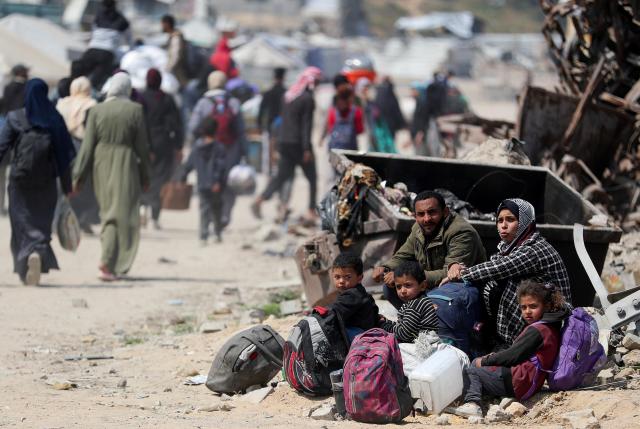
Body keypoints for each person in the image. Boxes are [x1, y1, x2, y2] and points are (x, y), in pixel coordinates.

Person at [445, 198, 571, 346]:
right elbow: (496, 263)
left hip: (551, 319)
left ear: (525, 222)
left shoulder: (534, 249)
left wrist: (461, 274)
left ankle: (509, 342)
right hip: (534, 312)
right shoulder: (510, 247)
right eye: (500, 220)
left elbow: (499, 268)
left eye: (510, 220)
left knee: (495, 283)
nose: (503, 226)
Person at [72, 72, 151, 281]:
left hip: (101, 164)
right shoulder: (135, 110)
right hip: (126, 164)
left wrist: (78, 177)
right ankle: (110, 263)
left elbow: (87, 147)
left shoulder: (97, 110)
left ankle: (108, 262)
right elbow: (142, 148)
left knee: (108, 212)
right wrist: (146, 177)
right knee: (124, 215)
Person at [453, 280, 568, 418]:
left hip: (519, 382)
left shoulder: (537, 330)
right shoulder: (551, 326)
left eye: (533, 306)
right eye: (523, 307)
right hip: (530, 382)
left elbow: (512, 356)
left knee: (472, 369)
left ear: (546, 306)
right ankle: (486, 396)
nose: (527, 312)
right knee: (486, 364)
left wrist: (485, 360)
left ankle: (472, 404)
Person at [0, 78, 76, 285]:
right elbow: (64, 157)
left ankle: (26, 258)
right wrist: (68, 186)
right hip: (47, 181)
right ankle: (37, 251)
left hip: (20, 179)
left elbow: (1, 148)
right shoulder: (54, 119)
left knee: (21, 221)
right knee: (41, 221)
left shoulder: (15, 118)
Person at [372, 190, 486, 309]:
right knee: (392, 286)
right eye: (421, 214)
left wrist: (411, 277)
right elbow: (403, 255)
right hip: (433, 285)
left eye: (432, 212)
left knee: (409, 284)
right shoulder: (418, 228)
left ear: (445, 212)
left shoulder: (461, 232)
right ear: (415, 216)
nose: (426, 219)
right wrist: (386, 268)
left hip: (460, 290)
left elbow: (452, 274)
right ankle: (413, 320)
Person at [251, 67, 322, 222]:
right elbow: (306, 125)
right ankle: (311, 210)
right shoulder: (307, 99)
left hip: (284, 141)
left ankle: (260, 200)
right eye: (316, 81)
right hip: (298, 144)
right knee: (312, 177)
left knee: (281, 177)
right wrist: (306, 149)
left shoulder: (289, 96)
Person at [188, 71, 245, 230]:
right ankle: (224, 215)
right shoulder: (233, 102)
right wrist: (244, 152)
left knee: (208, 184)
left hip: (208, 151)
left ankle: (208, 220)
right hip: (230, 150)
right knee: (228, 184)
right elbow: (241, 130)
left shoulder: (203, 103)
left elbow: (192, 127)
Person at [140, 68, 184, 229]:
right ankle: (154, 217)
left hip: (143, 142)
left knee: (143, 177)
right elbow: (177, 124)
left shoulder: (141, 97)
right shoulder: (167, 99)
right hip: (163, 143)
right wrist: (178, 146)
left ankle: (142, 208)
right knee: (159, 180)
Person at [56, 76, 100, 233]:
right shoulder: (91, 104)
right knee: (84, 184)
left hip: (62, 145)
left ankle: (59, 221)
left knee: (63, 183)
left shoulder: (62, 103)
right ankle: (82, 220)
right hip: (82, 147)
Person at [181, 116, 226, 244]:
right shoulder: (219, 148)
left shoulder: (196, 148)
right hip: (216, 185)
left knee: (204, 209)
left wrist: (183, 176)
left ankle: (203, 235)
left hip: (202, 184)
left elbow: (189, 164)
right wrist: (217, 181)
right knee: (217, 208)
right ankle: (217, 233)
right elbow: (221, 166)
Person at [257, 67, 292, 222]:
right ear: (284, 77)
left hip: (271, 133)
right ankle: (281, 203)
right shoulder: (287, 93)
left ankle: (270, 194)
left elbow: (260, 112)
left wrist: (260, 127)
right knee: (284, 168)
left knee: (271, 166)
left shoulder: (269, 92)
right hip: (285, 133)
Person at [379, 260, 439, 343]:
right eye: (398, 287)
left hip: (423, 346)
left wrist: (383, 325)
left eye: (408, 285)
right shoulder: (412, 302)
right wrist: (386, 321)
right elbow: (402, 327)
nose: (403, 291)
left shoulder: (417, 305)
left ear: (422, 286)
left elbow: (404, 334)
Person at [328, 252, 380, 341]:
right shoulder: (361, 293)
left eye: (347, 277)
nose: (341, 281)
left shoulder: (353, 295)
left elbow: (334, 311)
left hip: (359, 335)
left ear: (359, 278)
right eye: (337, 277)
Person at [81, 0, 131, 90]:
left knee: (81, 77)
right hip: (107, 53)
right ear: (115, 5)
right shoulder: (122, 20)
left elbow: (93, 33)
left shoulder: (98, 16)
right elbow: (130, 40)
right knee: (97, 82)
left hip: (92, 50)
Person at [0, 64, 29, 216]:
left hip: (6, 130)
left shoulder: (8, 87)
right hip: (22, 133)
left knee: (2, 171)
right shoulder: (27, 88)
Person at [355, 77, 395, 153]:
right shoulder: (356, 101)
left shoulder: (372, 103)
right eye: (364, 87)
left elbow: (377, 116)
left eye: (367, 87)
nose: (366, 90)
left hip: (372, 134)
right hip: (360, 134)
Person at [324, 86, 364, 151]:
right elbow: (360, 130)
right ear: (350, 97)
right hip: (351, 151)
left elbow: (330, 129)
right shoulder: (356, 111)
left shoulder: (332, 111)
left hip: (335, 150)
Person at [161, 14, 189, 88]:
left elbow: (175, 57)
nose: (162, 26)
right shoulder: (172, 37)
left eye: (162, 24)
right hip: (176, 76)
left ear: (167, 24)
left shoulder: (176, 38)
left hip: (179, 77)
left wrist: (167, 70)